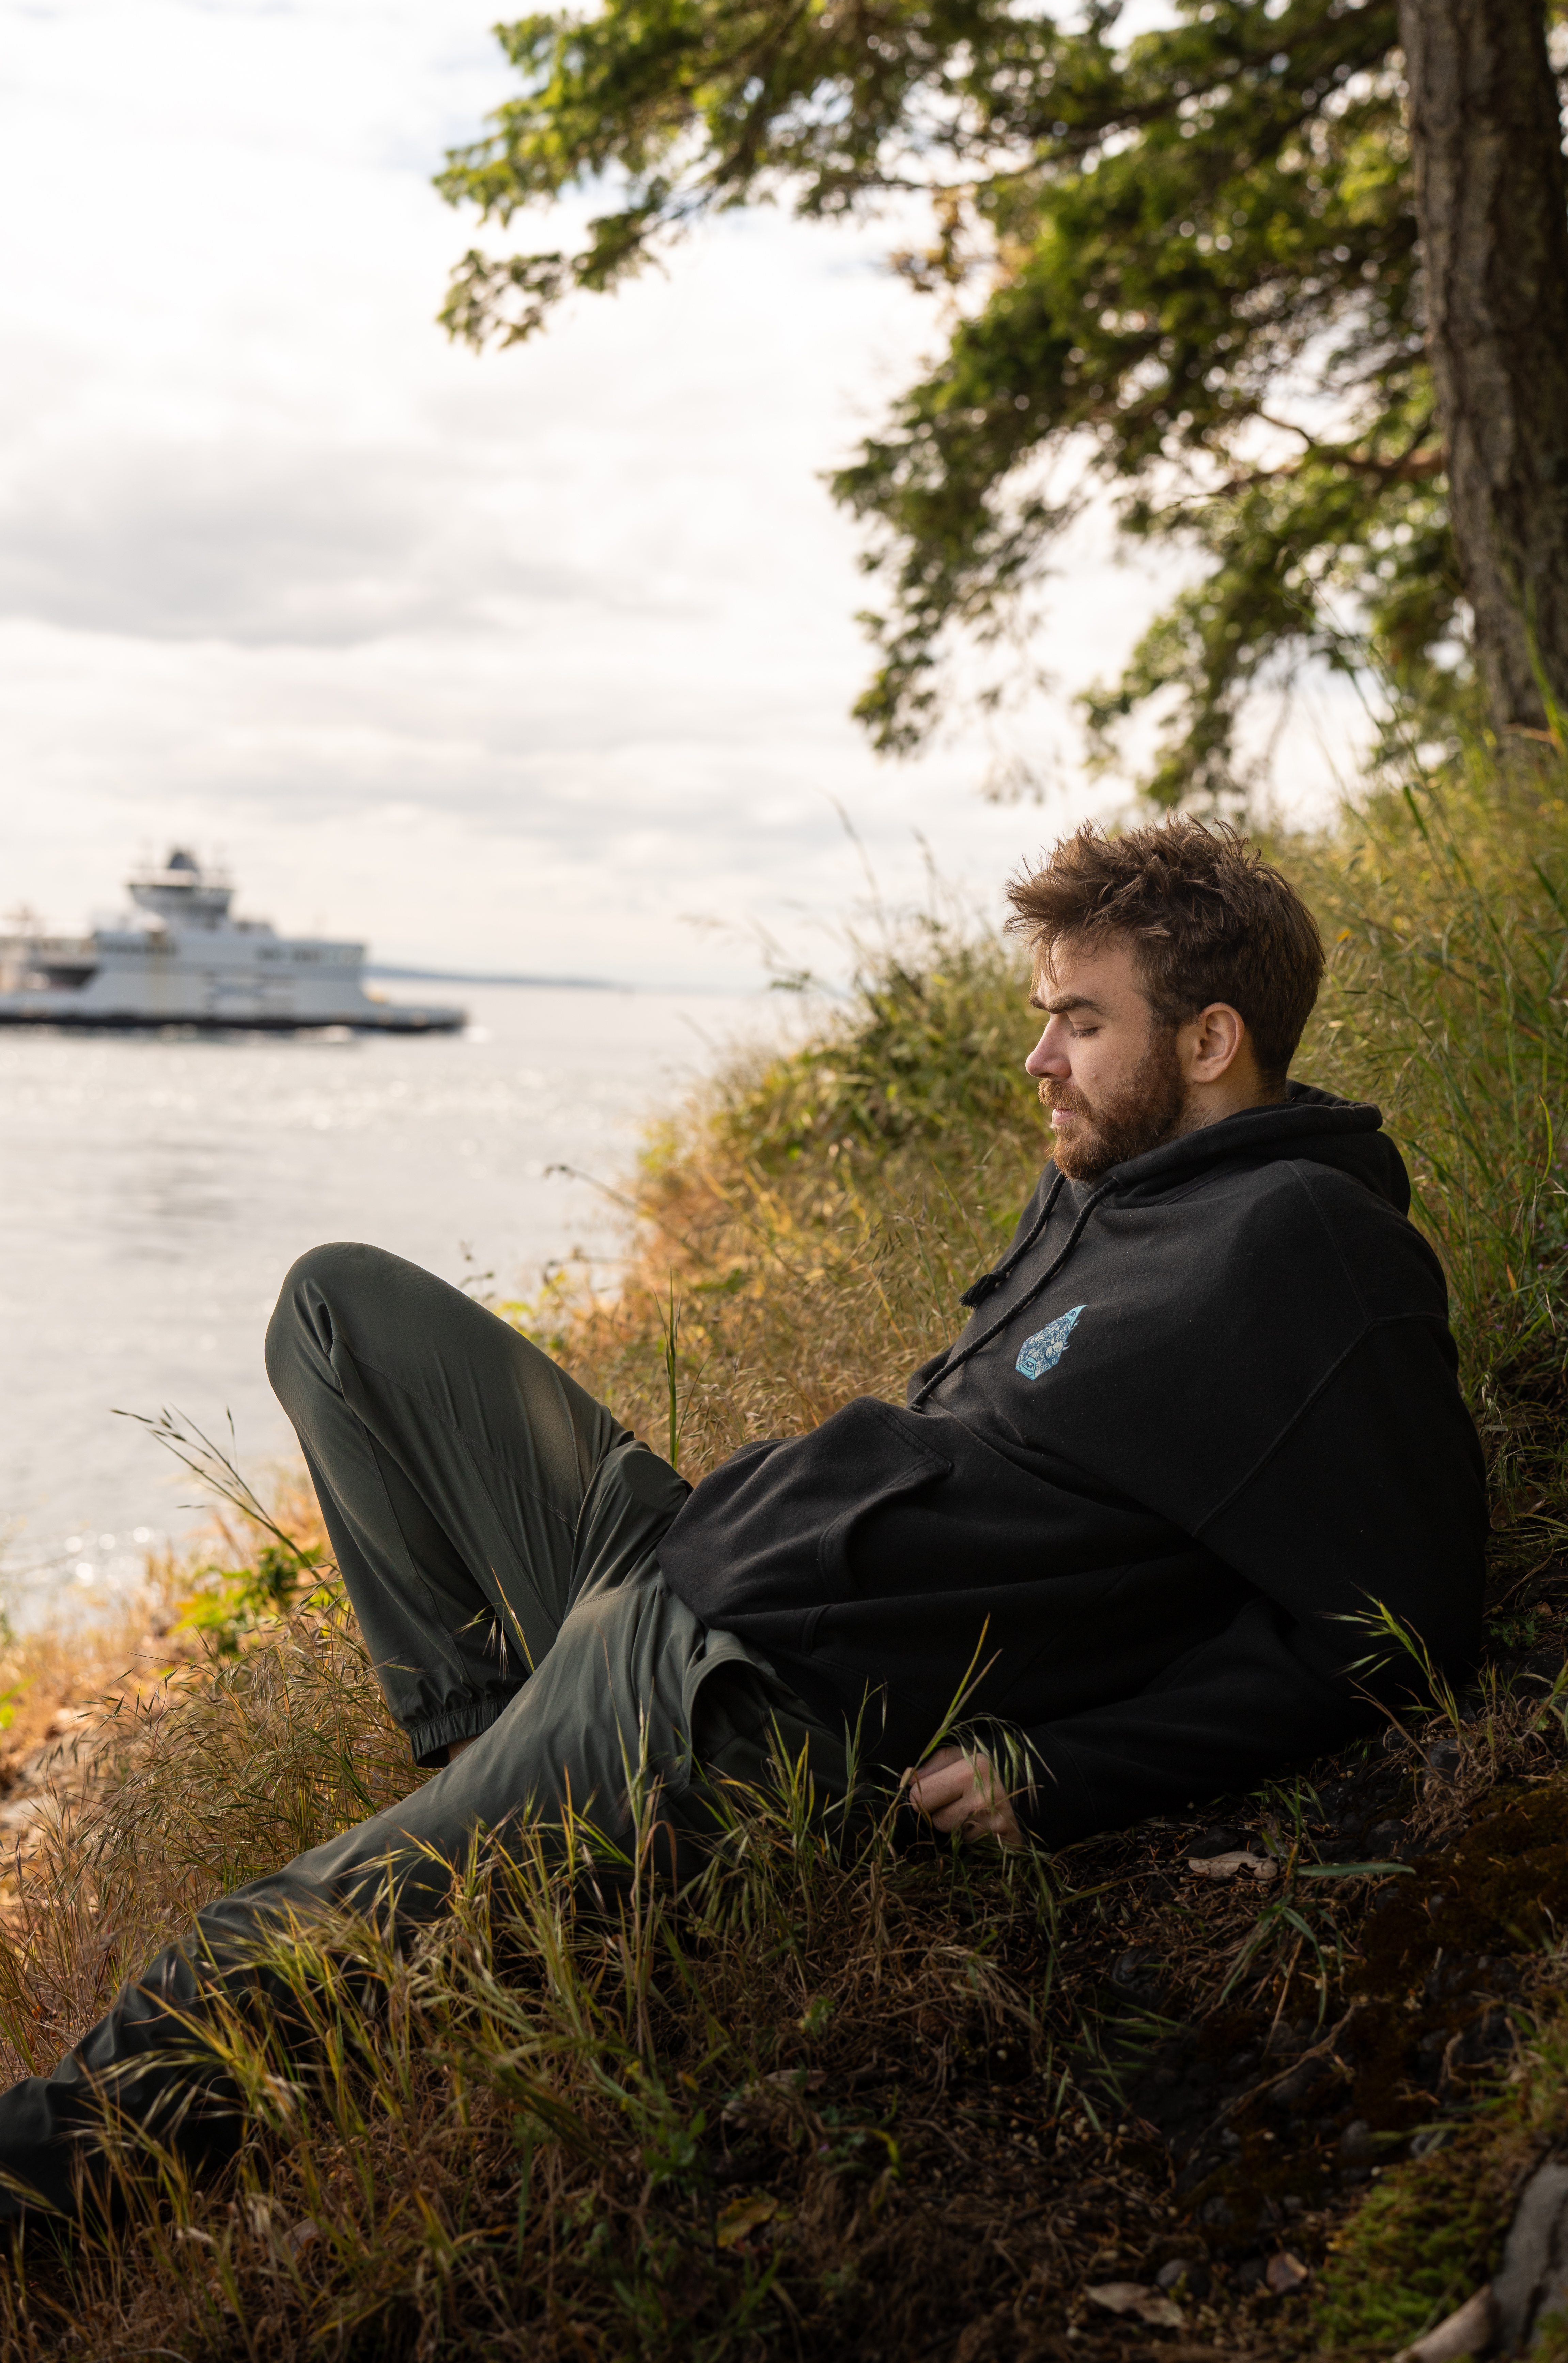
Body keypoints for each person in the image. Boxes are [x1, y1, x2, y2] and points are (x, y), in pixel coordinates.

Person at [0, 820, 1486, 2216]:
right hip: (692, 1562)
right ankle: (495, 1785)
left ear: (1212, 1041)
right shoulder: (1113, 1174)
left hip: (747, 1694)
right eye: (1044, 1016)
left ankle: (84, 2151)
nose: (1038, 1059)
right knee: (341, 1309)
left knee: (241, 1956)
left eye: (1080, 1022)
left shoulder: (1308, 1253)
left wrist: (1069, 1766)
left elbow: (1402, 1623)